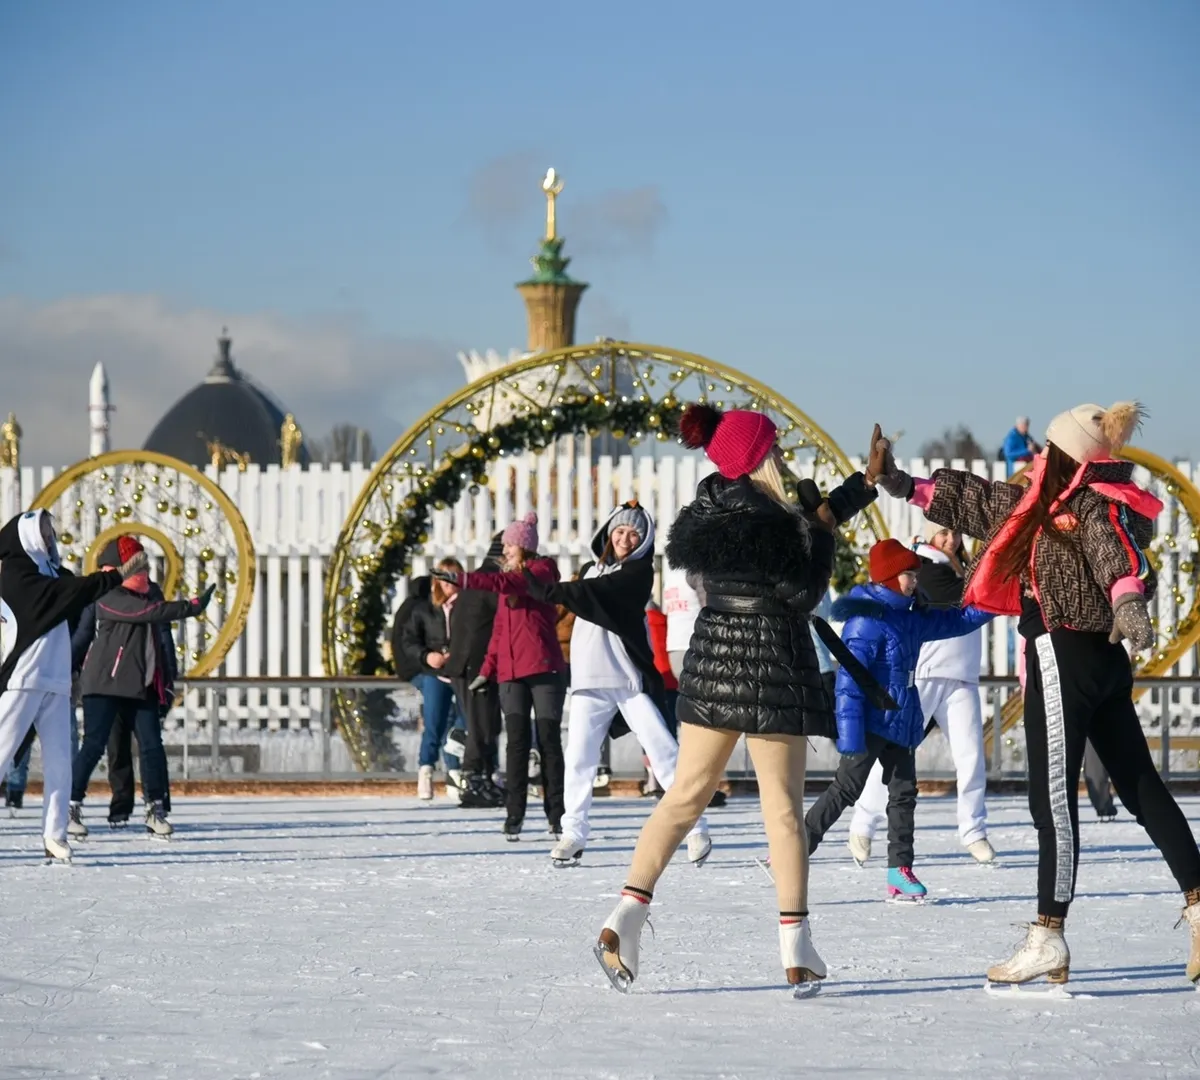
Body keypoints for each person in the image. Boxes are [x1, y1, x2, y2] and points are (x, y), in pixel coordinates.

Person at [875, 401, 1200, 989]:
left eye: (1049, 450)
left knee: (1051, 803)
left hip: (1061, 655)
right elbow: (975, 501)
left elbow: (1114, 554)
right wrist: (901, 483)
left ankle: (1049, 936)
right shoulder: (1038, 503)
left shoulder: (1084, 506)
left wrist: (1128, 598)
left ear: (1066, 458)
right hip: (1102, 662)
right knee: (1140, 784)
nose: (1039, 457)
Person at [593, 406, 882, 996]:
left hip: (714, 666)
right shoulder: (775, 519)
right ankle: (796, 947)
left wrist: (863, 487)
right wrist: (823, 535)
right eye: (773, 449)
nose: (781, 456)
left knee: (683, 798)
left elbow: (811, 516)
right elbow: (802, 590)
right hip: (774, 666)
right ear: (758, 456)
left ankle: (624, 916)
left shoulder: (707, 509)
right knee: (782, 810)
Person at [523, 502, 711, 867]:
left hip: (627, 680)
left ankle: (695, 827)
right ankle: (572, 834)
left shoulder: (636, 574)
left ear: (643, 541)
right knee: (579, 758)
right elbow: (582, 596)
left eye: (634, 533)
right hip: (588, 682)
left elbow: (599, 594)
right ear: (609, 532)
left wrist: (554, 591)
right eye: (620, 530)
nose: (625, 538)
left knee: (665, 752)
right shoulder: (591, 570)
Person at [804, 539, 993, 901]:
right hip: (872, 719)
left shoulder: (911, 615)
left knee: (904, 795)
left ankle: (899, 870)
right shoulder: (867, 621)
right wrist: (850, 735)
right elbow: (849, 682)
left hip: (903, 716)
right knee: (846, 788)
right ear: (891, 576)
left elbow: (957, 619)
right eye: (910, 575)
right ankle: (795, 852)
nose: (915, 582)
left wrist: (996, 605)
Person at [847, 521, 995, 866]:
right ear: (929, 534)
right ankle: (863, 822)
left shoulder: (963, 565)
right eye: (943, 532)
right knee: (894, 751)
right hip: (925, 674)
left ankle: (974, 830)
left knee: (971, 755)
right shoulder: (923, 566)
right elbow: (966, 595)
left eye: (956, 532)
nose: (951, 539)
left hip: (962, 676)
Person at [0, 510, 143, 861]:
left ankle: (55, 834)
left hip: (57, 680)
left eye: (50, 530)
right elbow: (69, 592)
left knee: (60, 762)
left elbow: (76, 590)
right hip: (25, 678)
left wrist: (108, 579)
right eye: (44, 530)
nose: (51, 536)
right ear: (27, 536)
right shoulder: (17, 576)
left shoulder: (49, 572)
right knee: (1, 756)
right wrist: (112, 578)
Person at [433, 512, 566, 840]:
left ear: (526, 547)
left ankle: (557, 814)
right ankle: (514, 815)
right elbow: (499, 634)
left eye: (510, 545)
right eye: (504, 545)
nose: (505, 551)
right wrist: (486, 671)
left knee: (548, 741)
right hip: (510, 674)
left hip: (543, 668)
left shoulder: (541, 571)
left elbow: (511, 581)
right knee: (516, 744)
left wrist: (463, 581)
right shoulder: (508, 583)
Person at [70, 536, 212, 839]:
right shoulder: (104, 592)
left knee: (152, 746)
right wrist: (192, 606)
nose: (143, 569)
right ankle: (70, 806)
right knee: (96, 745)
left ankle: (155, 808)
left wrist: (167, 681)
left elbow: (163, 638)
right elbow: (97, 630)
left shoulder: (153, 593)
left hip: (142, 683)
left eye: (143, 562)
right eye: (136, 563)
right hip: (103, 683)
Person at [442, 534, 505, 809]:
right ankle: (473, 781)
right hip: (474, 666)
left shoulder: (479, 581)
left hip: (468, 665)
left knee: (485, 723)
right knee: (481, 725)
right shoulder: (493, 584)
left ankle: (482, 778)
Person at [400, 557, 466, 802]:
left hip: (459, 672)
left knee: (460, 725)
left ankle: (455, 772)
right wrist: (427, 656)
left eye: (455, 577)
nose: (451, 584)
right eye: (446, 578)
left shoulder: (466, 606)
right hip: (434, 673)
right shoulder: (424, 609)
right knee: (434, 723)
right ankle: (426, 771)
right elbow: (409, 640)